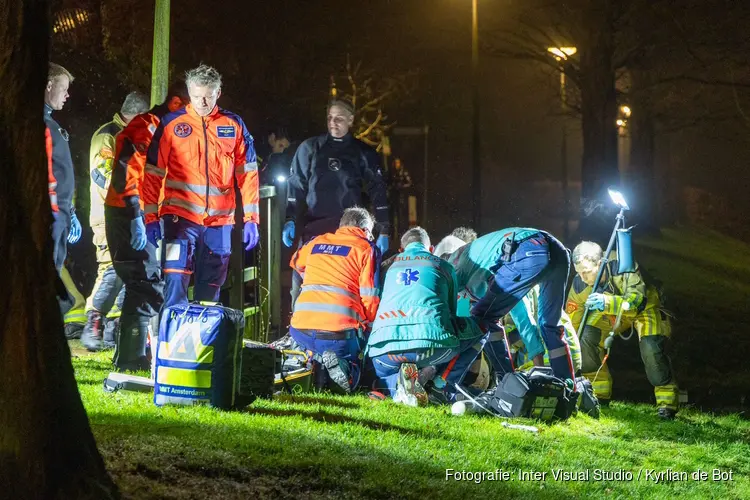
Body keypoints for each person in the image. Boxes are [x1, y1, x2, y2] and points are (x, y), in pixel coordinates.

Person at [147, 64, 260, 309]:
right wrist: (149, 217)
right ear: (189, 93)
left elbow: (248, 175)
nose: (203, 102)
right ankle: (171, 341)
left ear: (218, 93)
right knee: (175, 279)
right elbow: (153, 173)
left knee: (210, 290)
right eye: (197, 96)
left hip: (219, 224)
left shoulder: (234, 125)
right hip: (180, 219)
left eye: (208, 96)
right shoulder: (171, 125)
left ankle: (203, 344)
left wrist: (252, 219)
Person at [105, 82, 189, 371]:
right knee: (144, 283)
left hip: (137, 213)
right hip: (127, 212)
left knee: (142, 283)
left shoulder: (159, 128)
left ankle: (129, 355)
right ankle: (131, 359)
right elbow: (127, 172)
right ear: (177, 103)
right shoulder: (148, 126)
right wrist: (137, 217)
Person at [284, 99, 390, 308]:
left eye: (339, 118)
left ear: (351, 120)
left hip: (350, 231)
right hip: (316, 227)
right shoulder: (310, 148)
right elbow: (295, 187)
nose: (333, 123)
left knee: (350, 280)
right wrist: (290, 219)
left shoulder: (364, 153)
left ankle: (353, 324)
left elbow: (378, 192)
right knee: (302, 279)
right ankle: (297, 326)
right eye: (330, 118)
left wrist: (384, 229)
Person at [367, 227, 486, 406]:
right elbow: (452, 313)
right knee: (482, 330)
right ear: (431, 249)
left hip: (384, 354)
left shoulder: (386, 266)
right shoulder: (444, 266)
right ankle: (441, 385)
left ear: (401, 249)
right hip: (432, 349)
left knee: (383, 374)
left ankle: (394, 385)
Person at [567, 241, 679, 419]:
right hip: (612, 313)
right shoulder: (580, 285)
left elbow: (636, 300)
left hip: (646, 308)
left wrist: (607, 302)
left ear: (600, 263)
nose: (582, 278)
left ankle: (667, 405)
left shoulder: (623, 265)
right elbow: (572, 324)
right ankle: (597, 395)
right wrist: (569, 346)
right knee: (586, 336)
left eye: (586, 272)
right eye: (578, 273)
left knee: (652, 348)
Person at [447, 227, 575, 382]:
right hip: (558, 251)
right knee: (549, 325)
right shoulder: (483, 264)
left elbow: (459, 322)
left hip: (526, 250)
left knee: (481, 320)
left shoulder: (453, 267)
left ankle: (505, 383)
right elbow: (522, 317)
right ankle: (567, 387)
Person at [81, 91, 149, 351]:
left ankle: (112, 331)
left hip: (128, 216)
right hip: (109, 216)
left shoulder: (128, 136)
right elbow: (104, 176)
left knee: (128, 270)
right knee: (111, 268)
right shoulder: (108, 135)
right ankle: (93, 323)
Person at [288, 207, 381, 393]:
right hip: (338, 334)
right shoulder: (366, 249)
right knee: (356, 369)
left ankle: (301, 361)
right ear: (366, 231)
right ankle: (344, 368)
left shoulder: (316, 242)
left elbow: (296, 264)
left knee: (307, 359)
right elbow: (369, 296)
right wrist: (370, 327)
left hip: (301, 329)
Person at [45, 63, 81, 273]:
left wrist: (71, 212)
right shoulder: (40, 124)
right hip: (51, 214)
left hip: (60, 213)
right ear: (49, 85)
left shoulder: (51, 124)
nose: (67, 95)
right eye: (64, 88)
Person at [504, 285, 582, 373]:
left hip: (553, 355)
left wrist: (541, 372)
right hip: (560, 349)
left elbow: (527, 328)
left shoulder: (511, 287)